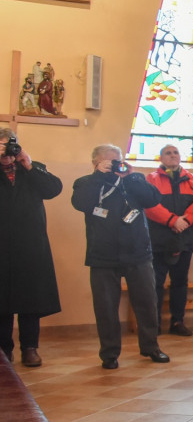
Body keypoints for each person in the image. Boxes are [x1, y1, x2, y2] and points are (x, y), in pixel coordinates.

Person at [71, 145, 169, 369]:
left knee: (147, 303)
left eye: (117, 160)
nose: (114, 164)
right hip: (103, 256)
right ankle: (109, 354)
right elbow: (81, 203)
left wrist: (132, 176)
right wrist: (99, 176)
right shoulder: (86, 182)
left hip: (138, 253)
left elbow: (153, 199)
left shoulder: (133, 181)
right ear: (95, 163)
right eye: (108, 161)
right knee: (105, 308)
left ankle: (151, 347)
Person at [0, 130, 61, 367]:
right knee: (2, 301)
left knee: (30, 300)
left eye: (9, 147)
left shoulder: (33, 168)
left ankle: (30, 348)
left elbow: (53, 189)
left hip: (30, 245)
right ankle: (4, 351)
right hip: (2, 245)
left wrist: (28, 164)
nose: (6, 153)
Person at [144, 144, 193, 336]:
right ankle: (154, 325)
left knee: (180, 282)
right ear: (161, 158)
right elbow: (148, 205)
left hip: (183, 238)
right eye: (167, 153)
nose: (172, 155)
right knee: (155, 282)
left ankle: (177, 322)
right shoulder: (151, 179)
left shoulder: (192, 180)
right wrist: (172, 220)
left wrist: (184, 221)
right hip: (158, 240)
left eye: (175, 152)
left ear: (180, 157)